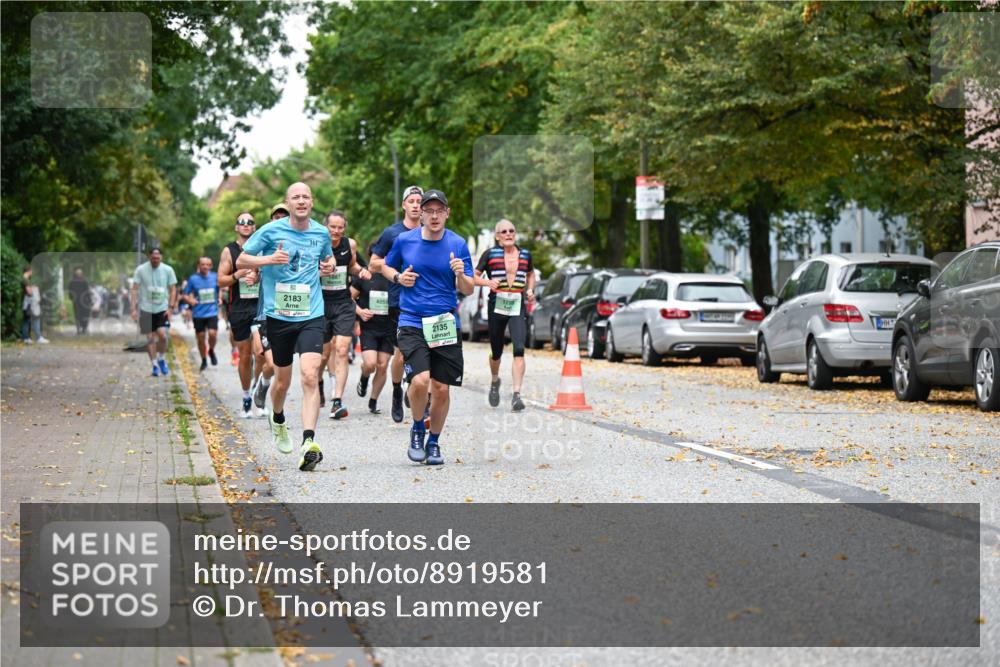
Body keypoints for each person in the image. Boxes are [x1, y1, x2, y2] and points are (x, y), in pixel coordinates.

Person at [237, 182, 335, 472]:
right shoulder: (269, 232)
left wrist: (327, 267)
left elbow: (326, 258)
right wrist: (269, 259)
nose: (301, 201)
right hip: (278, 317)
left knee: (310, 374)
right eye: (296, 197)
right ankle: (277, 416)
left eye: (306, 196)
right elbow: (243, 259)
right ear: (288, 203)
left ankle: (308, 442)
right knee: (282, 381)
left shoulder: (320, 232)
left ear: (312, 202)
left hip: (311, 314)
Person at [381, 189, 473, 466]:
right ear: (420, 213)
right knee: (420, 381)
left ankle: (434, 441)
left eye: (439, 210)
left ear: (447, 213)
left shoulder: (458, 244)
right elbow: (385, 267)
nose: (434, 216)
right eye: (428, 210)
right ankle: (418, 428)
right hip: (411, 320)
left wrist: (460, 273)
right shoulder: (404, 240)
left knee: (442, 388)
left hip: (444, 322)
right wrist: (399, 277)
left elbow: (468, 288)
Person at [369, 185, 423, 423]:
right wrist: (395, 271)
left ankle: (417, 387)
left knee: (423, 351)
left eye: (419, 201)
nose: (415, 205)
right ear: (404, 205)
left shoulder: (431, 232)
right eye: (411, 200)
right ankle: (396, 390)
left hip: (425, 301)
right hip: (398, 300)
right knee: (401, 355)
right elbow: (373, 264)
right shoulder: (393, 234)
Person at [474, 219, 536, 411]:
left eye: (512, 230)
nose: (508, 234)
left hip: (517, 304)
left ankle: (517, 395)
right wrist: (487, 283)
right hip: (497, 304)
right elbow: (473, 277)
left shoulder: (525, 254)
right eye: (504, 231)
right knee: (497, 351)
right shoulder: (490, 254)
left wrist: (531, 289)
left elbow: (531, 274)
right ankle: (494, 381)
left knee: (519, 348)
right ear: (497, 236)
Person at [319, 210, 371, 419]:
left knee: (341, 350)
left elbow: (352, 266)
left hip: (343, 303)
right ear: (326, 227)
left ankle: (337, 401)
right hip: (320, 304)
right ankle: (320, 382)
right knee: (323, 354)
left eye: (340, 227)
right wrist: (319, 272)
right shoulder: (317, 243)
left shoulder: (350, 245)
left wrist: (361, 271)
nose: (336, 231)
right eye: (333, 227)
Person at [219, 211, 267, 418]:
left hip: (259, 307)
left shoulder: (262, 248)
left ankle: (258, 389)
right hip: (239, 309)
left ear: (254, 227)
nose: (246, 225)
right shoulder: (229, 251)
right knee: (245, 356)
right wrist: (238, 274)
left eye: (250, 222)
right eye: (242, 222)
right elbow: (221, 280)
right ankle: (246, 397)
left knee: (262, 353)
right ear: (236, 227)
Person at [353, 244, 394, 414]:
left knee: (383, 366)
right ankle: (364, 377)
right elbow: (349, 298)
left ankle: (373, 400)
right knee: (370, 364)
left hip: (389, 327)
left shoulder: (393, 275)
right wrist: (360, 312)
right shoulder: (364, 276)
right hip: (369, 327)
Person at [131, 248, 177, 376]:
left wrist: (171, 307)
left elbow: (173, 289)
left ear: (161, 257)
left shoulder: (168, 270)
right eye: (153, 258)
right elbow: (134, 289)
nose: (155, 260)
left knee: (163, 335)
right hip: (145, 309)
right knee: (150, 338)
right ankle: (155, 364)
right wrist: (133, 308)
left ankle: (161, 357)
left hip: (162, 308)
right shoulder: (141, 270)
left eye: (157, 258)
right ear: (149, 257)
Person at [182, 257, 220, 371]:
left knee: (213, 334)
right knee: (200, 338)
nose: (205, 266)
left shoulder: (215, 276)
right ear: (199, 265)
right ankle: (203, 359)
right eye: (203, 264)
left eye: (208, 264)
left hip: (212, 311)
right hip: (198, 313)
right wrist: (190, 301)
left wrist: (220, 298)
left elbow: (220, 289)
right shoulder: (193, 279)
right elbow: (184, 295)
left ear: (211, 266)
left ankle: (211, 350)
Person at [67, 267, 91, 335]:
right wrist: (89, 299)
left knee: (77, 314)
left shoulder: (72, 281)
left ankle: (79, 328)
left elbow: (70, 291)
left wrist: (71, 298)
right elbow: (87, 291)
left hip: (76, 301)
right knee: (84, 314)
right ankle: (83, 328)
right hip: (84, 301)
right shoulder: (84, 281)